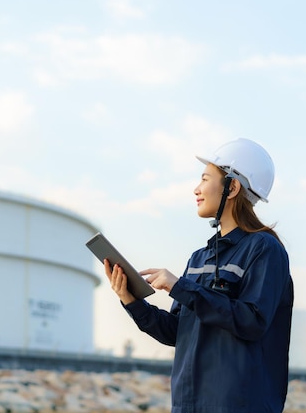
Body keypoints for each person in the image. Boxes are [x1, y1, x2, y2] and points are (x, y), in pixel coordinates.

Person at [104, 138, 294, 413]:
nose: (197, 189)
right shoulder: (199, 258)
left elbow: (252, 320)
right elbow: (177, 332)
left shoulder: (265, 249)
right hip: (188, 405)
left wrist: (180, 287)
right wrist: (132, 301)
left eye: (205, 179)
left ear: (233, 187)